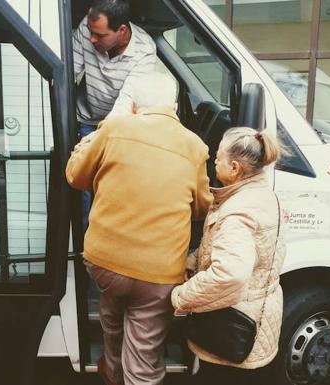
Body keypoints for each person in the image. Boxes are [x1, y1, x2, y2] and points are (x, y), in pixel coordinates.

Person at [65, 73, 212, 385]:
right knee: (143, 352)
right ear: (173, 106)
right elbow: (201, 207)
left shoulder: (115, 128)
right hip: (157, 273)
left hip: (105, 261)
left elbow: (76, 177)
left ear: (132, 105)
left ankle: (112, 370)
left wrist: (85, 145)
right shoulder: (196, 147)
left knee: (112, 320)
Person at [170, 126, 286, 385]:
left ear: (234, 168)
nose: (213, 161)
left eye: (218, 157)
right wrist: (193, 261)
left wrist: (181, 296)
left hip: (234, 326)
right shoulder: (265, 197)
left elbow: (229, 275)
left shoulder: (236, 213)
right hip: (259, 318)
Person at [73, 0, 157, 228]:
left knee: (109, 188)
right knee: (84, 190)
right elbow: (67, 71)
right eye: (90, 33)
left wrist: (98, 140)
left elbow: (126, 101)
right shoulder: (88, 27)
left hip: (117, 126)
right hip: (86, 119)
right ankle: (84, 249)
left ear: (122, 31)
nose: (92, 40)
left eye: (99, 35)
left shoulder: (145, 51)